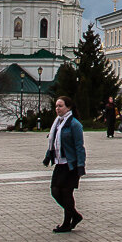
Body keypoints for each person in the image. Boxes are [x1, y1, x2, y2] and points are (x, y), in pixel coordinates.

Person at [43, 96, 86, 233]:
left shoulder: (74, 124)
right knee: (55, 191)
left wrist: (80, 165)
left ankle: (67, 223)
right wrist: (48, 156)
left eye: (60, 106)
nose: (57, 109)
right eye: (56, 106)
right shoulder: (57, 123)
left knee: (66, 193)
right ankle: (75, 215)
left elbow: (79, 146)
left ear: (68, 107)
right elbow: (54, 142)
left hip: (71, 164)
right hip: (59, 163)